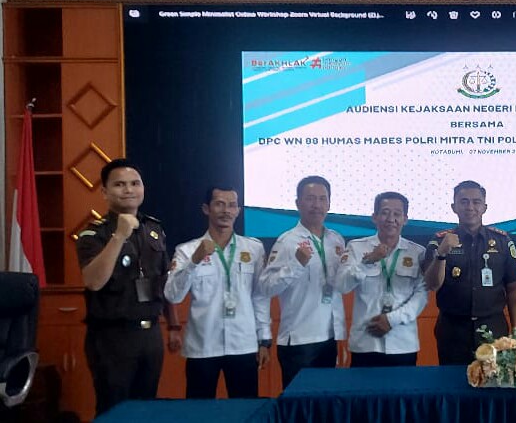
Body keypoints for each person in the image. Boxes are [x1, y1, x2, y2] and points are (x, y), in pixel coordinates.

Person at [76, 159, 181, 415]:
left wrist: (174, 325)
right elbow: (93, 281)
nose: (128, 190)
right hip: (112, 336)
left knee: (145, 409)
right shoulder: (93, 234)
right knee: (114, 410)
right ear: (104, 191)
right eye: (120, 185)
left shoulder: (153, 228)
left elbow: (164, 279)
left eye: (135, 183)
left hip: (150, 334)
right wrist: (119, 235)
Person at [164, 187, 271, 398]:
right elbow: (173, 295)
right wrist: (194, 261)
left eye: (232, 205)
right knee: (199, 411)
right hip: (203, 346)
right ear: (206, 209)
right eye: (219, 204)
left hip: (243, 344)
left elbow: (260, 296)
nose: (226, 211)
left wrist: (264, 339)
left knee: (245, 409)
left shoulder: (254, 248)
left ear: (238, 210)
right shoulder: (187, 250)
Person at [258, 176, 346, 388]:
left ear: (329, 204)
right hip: (299, 341)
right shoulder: (287, 241)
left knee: (325, 401)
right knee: (299, 403)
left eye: (322, 199)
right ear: (298, 203)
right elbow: (266, 287)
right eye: (310, 198)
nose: (317, 205)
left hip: (330, 336)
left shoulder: (336, 240)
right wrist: (296, 265)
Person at [423, 180, 516, 366]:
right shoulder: (439, 241)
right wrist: (441, 254)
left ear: (484, 207)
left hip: (494, 330)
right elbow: (432, 284)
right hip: (453, 331)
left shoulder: (502, 241)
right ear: (454, 207)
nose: (470, 207)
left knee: (495, 382)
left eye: (476, 202)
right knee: (452, 383)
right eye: (464, 201)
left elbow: (514, 288)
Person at [335, 192, 427, 367]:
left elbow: (421, 296)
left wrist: (392, 319)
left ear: (405, 219)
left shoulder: (417, 252)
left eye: (397, 214)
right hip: (365, 342)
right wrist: (368, 261)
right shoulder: (356, 247)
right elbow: (342, 286)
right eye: (385, 212)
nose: (391, 219)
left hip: (402, 343)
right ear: (374, 217)